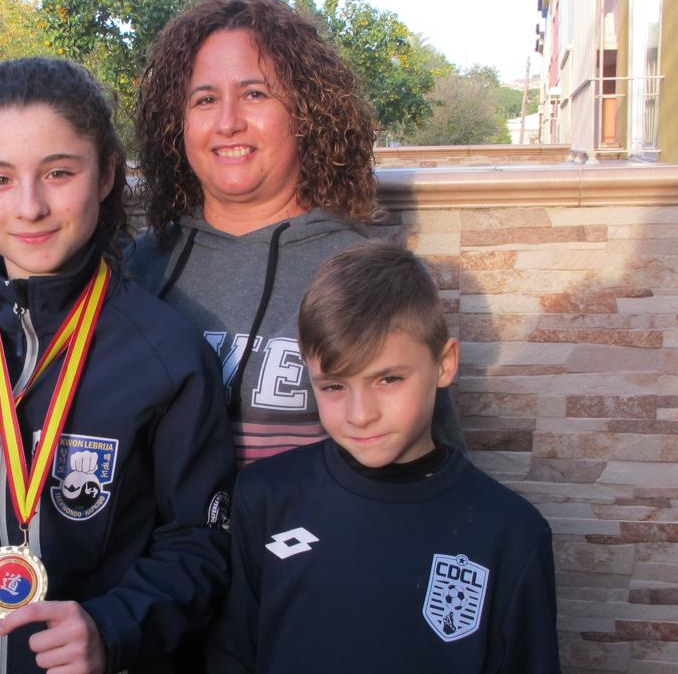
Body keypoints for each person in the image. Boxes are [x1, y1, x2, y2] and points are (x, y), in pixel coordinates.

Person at [0, 57, 234, 673]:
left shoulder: (168, 356)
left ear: (106, 174)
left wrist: (112, 627)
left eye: (59, 172)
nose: (30, 206)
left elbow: (199, 542)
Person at [129, 0, 464, 467]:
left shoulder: (368, 274)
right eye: (205, 100)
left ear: (306, 112)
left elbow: (434, 476)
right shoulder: (138, 270)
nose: (228, 122)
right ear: (176, 123)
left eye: (255, 94)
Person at [209, 242, 560, 673]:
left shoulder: (510, 532)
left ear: (445, 363)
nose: (361, 414)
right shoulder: (266, 497)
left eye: (388, 379)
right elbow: (233, 655)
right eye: (334, 386)